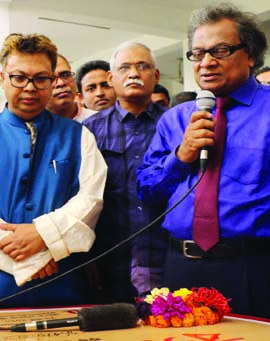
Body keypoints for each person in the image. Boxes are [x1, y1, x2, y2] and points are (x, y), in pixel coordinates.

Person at [137, 3, 270, 323]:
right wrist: (181, 157)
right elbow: (147, 191)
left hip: (257, 268)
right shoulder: (175, 119)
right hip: (181, 269)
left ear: (250, 55)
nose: (206, 62)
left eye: (220, 51)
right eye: (197, 54)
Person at [0, 33, 107, 309]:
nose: (30, 88)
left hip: (64, 281)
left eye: (41, 78)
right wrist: (33, 258)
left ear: (53, 79)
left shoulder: (79, 136)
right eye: (19, 77)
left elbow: (91, 200)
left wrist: (42, 235)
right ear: (3, 76)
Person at [83, 42, 168, 303]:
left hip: (166, 254)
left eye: (142, 66)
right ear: (111, 77)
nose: (134, 74)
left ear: (156, 76)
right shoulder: (90, 130)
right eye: (125, 67)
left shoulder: (174, 123)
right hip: (110, 258)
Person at [46, 53, 96, 122]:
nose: (61, 83)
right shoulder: (30, 129)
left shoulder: (101, 123)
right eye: (51, 78)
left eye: (66, 75)